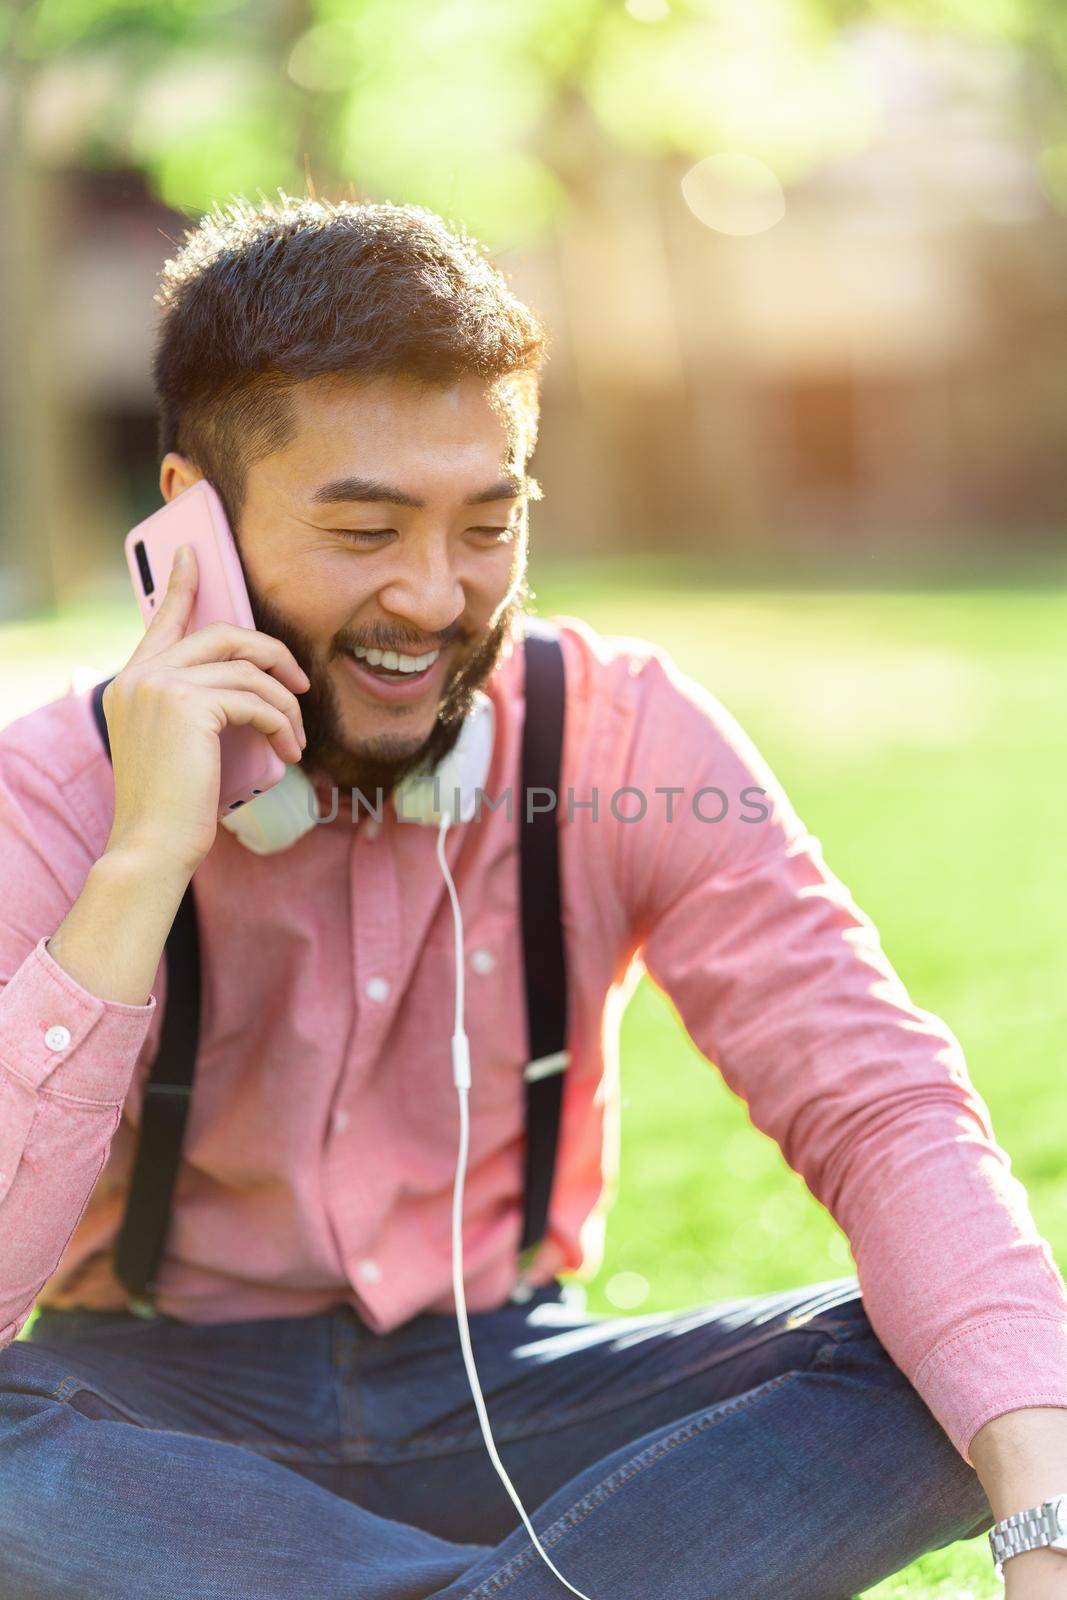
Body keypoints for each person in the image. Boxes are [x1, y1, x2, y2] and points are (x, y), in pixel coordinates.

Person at [0, 194, 1063, 1600]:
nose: (435, 598)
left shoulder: (624, 736)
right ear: (192, 524)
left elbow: (881, 1104)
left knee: (978, 1362)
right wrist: (139, 869)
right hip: (160, 1418)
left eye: (486, 524)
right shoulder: (55, 790)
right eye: (367, 530)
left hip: (519, 1397)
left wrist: (1044, 1522)